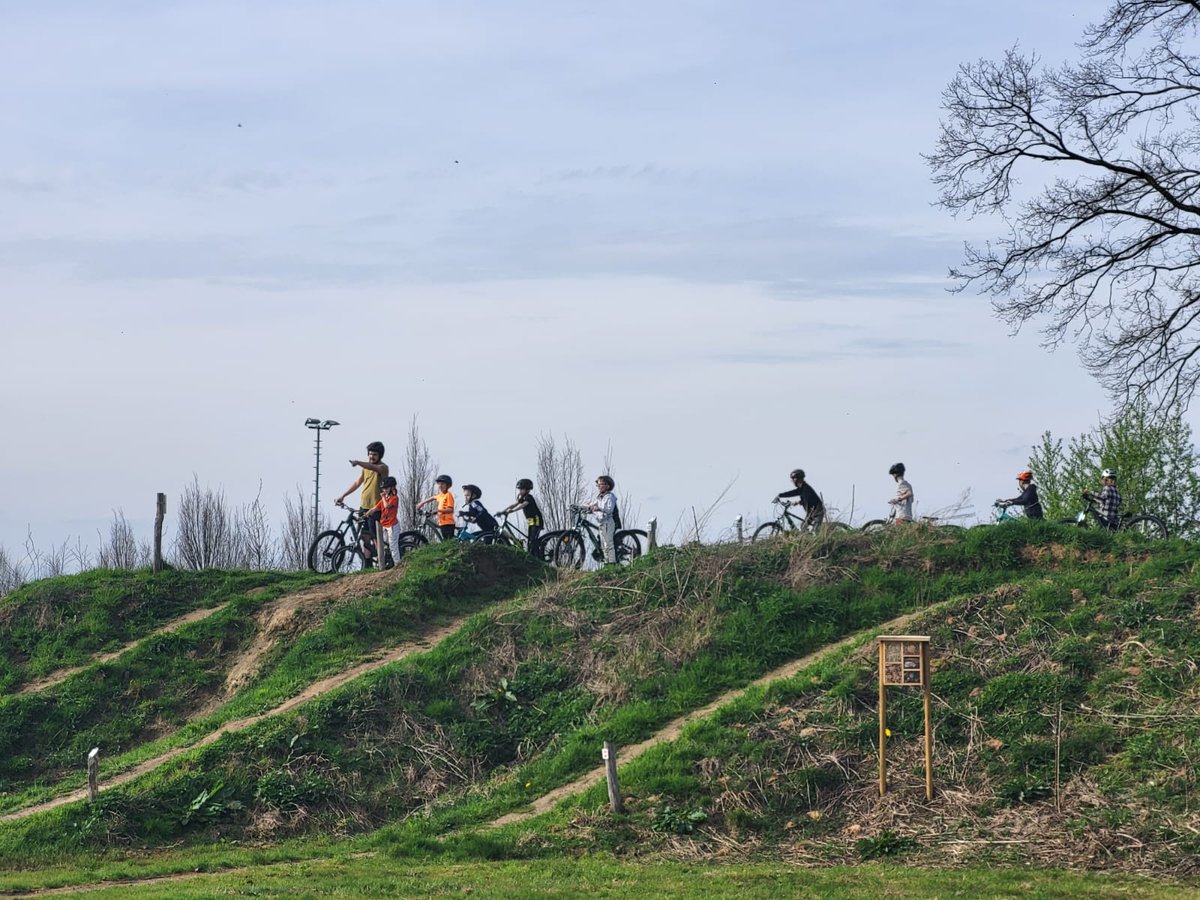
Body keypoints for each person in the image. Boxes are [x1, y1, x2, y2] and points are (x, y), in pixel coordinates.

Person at [335, 441, 389, 561]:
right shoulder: (365, 469)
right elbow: (357, 483)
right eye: (370, 454)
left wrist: (358, 462)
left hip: (376, 507)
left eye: (374, 454)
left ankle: (382, 561)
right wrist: (343, 495)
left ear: (380, 455)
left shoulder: (383, 468)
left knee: (375, 535)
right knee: (364, 536)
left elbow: (373, 467)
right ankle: (367, 562)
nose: (371, 457)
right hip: (364, 506)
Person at [497, 478, 544, 554]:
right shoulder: (523, 498)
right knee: (530, 541)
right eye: (519, 489)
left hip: (536, 520)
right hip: (531, 522)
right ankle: (532, 555)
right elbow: (514, 505)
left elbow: (523, 505)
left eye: (521, 489)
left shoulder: (529, 497)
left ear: (527, 489)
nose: (520, 491)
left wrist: (513, 511)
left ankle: (537, 556)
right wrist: (503, 511)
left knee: (532, 541)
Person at [365, 475, 401, 567]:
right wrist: (366, 513)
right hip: (385, 525)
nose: (384, 490)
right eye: (383, 489)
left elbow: (386, 506)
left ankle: (398, 565)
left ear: (392, 488)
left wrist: (383, 498)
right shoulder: (384, 499)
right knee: (384, 546)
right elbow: (375, 508)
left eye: (386, 488)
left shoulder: (394, 498)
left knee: (393, 546)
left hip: (392, 525)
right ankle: (388, 563)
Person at [586, 475, 620, 564]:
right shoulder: (599, 497)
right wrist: (587, 507)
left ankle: (612, 563)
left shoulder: (610, 497)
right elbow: (593, 505)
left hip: (608, 522)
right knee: (603, 545)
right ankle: (607, 563)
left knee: (609, 544)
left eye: (601, 484)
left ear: (607, 486)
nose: (599, 487)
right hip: (601, 523)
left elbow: (609, 509)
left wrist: (598, 508)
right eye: (598, 485)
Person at [417, 475, 456, 541]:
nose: (440, 486)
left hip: (448, 523)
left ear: (448, 485)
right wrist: (422, 503)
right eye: (439, 484)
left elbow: (451, 510)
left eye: (443, 484)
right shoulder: (440, 495)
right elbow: (432, 498)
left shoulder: (448, 495)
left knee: (448, 542)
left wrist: (437, 510)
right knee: (445, 541)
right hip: (442, 522)